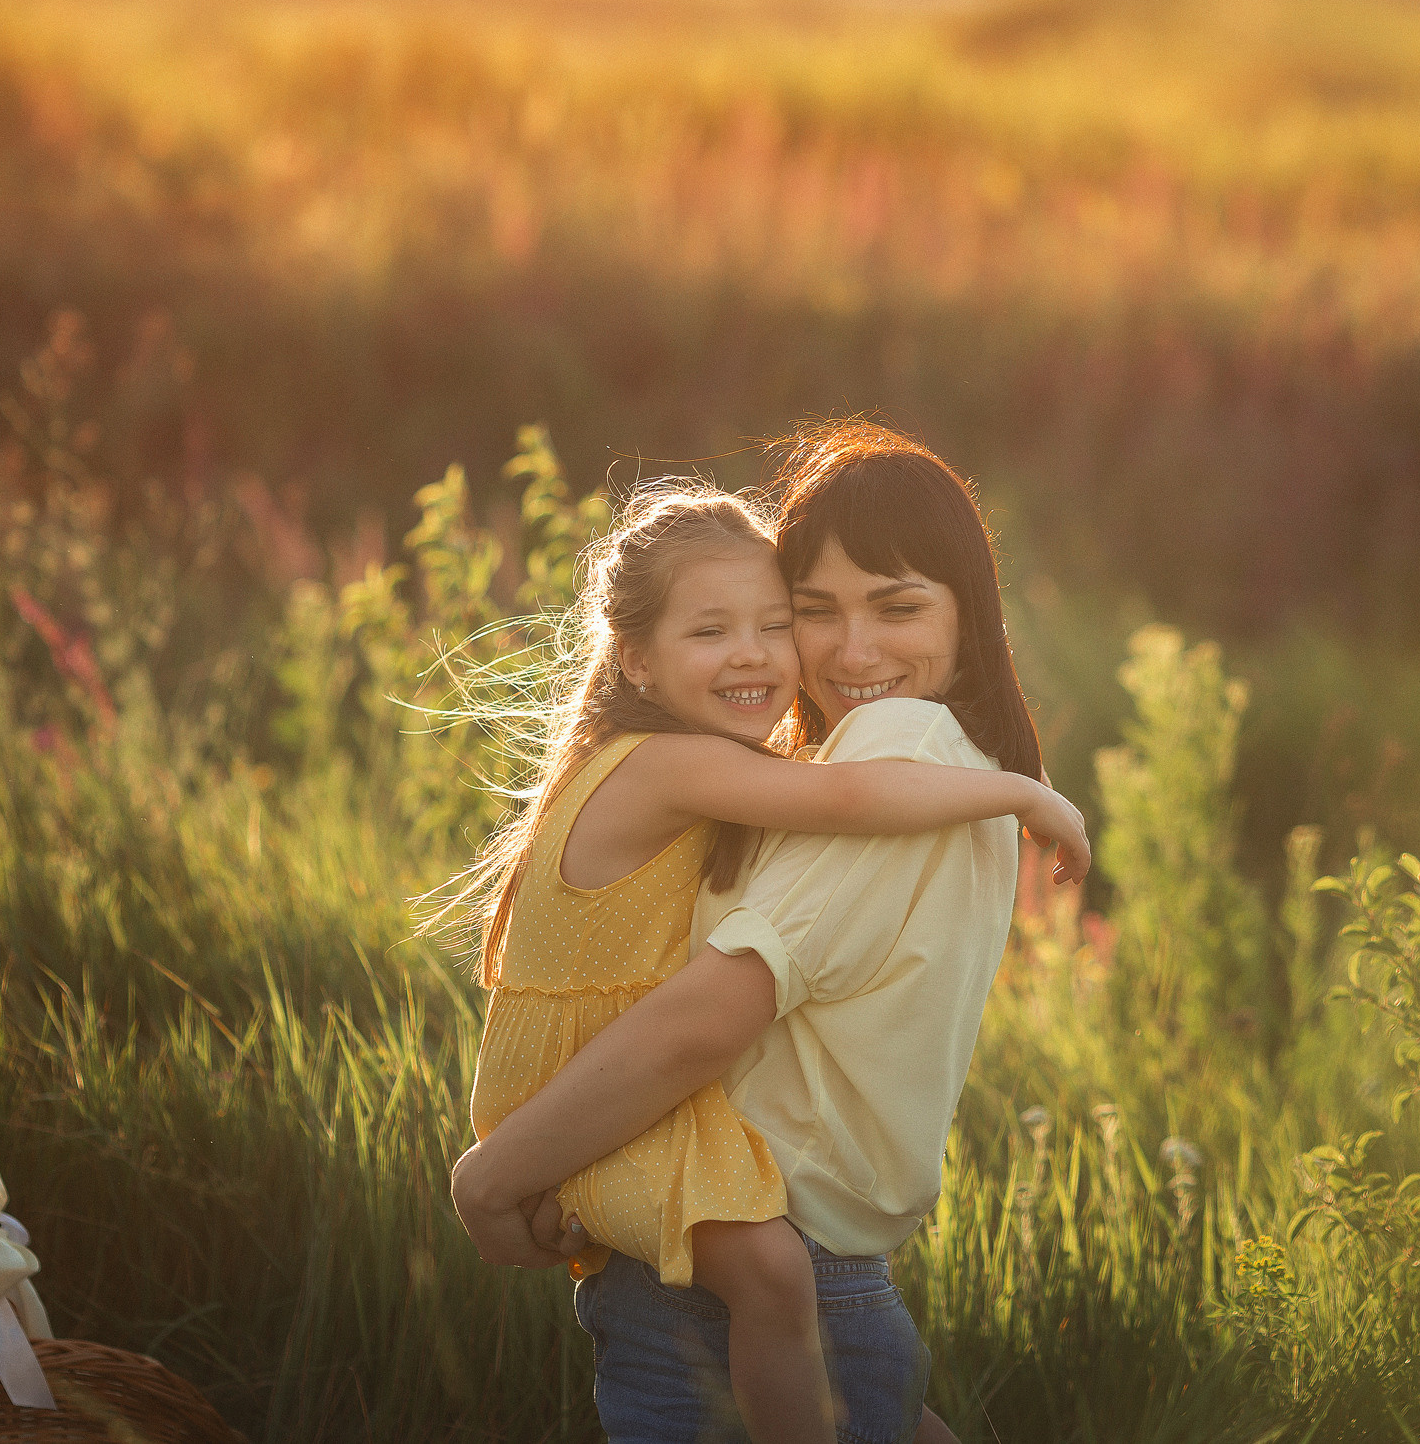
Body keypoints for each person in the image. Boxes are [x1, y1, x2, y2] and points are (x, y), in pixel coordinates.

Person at [453, 421, 1061, 1444]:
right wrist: (1020, 791)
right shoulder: (798, 767)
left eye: (897, 607)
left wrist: (491, 1174)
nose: (850, 651)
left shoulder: (903, 747)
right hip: (735, 1233)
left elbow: (709, 1017)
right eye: (815, 612)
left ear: (971, 611)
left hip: (737, 1249)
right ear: (636, 660)